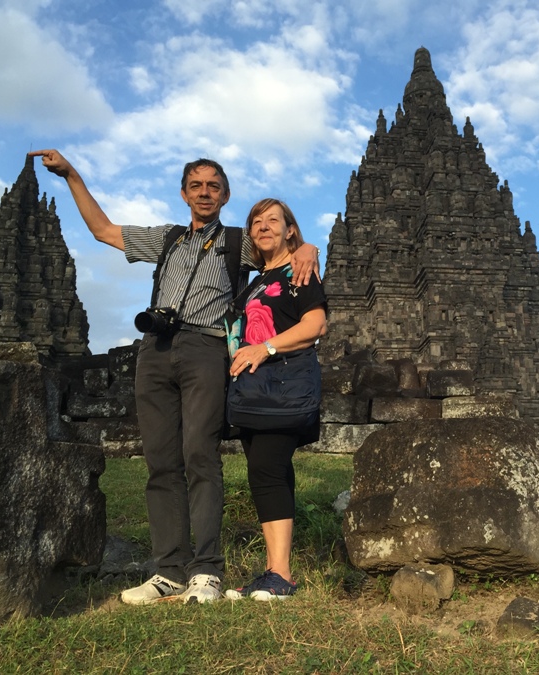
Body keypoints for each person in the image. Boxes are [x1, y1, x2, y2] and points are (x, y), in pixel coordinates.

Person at [28, 150, 320, 604]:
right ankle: (169, 569)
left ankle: (206, 570)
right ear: (184, 193)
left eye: (214, 186)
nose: (205, 193)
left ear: (225, 195)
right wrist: (71, 176)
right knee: (161, 461)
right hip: (155, 351)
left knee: (199, 455)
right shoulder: (166, 239)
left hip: (205, 347)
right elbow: (103, 231)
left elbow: (277, 246)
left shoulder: (239, 240)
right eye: (196, 185)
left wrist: (307, 248)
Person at [223, 198, 327, 601]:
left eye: (273, 220)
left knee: (266, 469)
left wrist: (263, 348)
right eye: (256, 222)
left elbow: (316, 323)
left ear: (290, 230)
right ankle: (273, 571)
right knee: (271, 471)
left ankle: (280, 575)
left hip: (282, 384)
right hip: (253, 389)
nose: (263, 226)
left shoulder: (298, 269)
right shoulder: (255, 279)